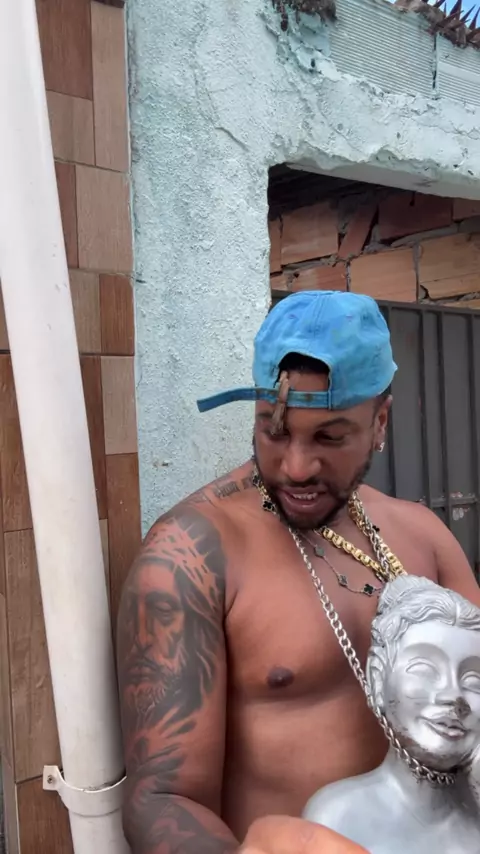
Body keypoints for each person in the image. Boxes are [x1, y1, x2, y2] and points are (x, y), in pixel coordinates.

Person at [116, 290, 480, 854]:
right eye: (275, 429)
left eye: (330, 437)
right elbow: (162, 800)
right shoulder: (193, 554)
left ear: (380, 421)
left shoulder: (423, 535)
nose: (296, 466)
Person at [303, 575, 480, 852]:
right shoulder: (339, 816)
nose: (454, 696)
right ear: (377, 679)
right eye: (425, 669)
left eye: (473, 680)